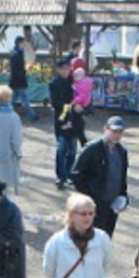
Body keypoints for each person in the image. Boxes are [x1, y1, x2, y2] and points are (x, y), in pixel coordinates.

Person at [70, 117, 129, 236]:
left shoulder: (122, 152)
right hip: (93, 207)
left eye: (120, 132)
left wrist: (123, 196)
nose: (117, 135)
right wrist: (89, 197)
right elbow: (76, 174)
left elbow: (122, 177)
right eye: (114, 131)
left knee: (106, 237)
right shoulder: (92, 149)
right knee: (90, 238)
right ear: (105, 129)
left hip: (112, 206)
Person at [48, 59, 77, 188]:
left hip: (75, 119)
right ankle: (60, 176)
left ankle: (68, 173)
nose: (66, 71)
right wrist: (69, 107)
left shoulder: (74, 82)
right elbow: (55, 103)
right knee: (61, 148)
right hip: (61, 118)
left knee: (72, 149)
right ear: (58, 70)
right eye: (63, 69)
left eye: (68, 68)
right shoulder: (54, 84)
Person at [7, 36, 38, 121]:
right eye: (23, 43)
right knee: (24, 100)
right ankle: (33, 115)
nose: (24, 44)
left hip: (15, 80)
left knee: (13, 100)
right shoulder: (18, 54)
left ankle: (6, 113)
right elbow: (18, 69)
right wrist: (24, 75)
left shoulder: (14, 53)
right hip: (19, 81)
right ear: (20, 43)